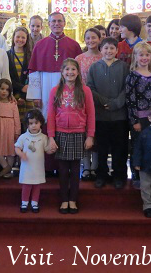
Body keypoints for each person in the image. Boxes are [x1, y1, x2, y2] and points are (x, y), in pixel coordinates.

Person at [47, 58, 95, 214]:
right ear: (62, 72)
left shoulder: (85, 90)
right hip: (60, 133)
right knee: (62, 170)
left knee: (75, 170)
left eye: (73, 69)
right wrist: (51, 137)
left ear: (78, 72)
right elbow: (51, 114)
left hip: (78, 133)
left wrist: (90, 135)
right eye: (66, 69)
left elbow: (91, 115)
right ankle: (64, 200)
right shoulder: (55, 90)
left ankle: (73, 200)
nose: (70, 72)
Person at [87, 37, 130, 189]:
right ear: (101, 49)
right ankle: (101, 175)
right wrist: (104, 102)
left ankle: (119, 175)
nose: (109, 51)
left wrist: (116, 103)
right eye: (106, 48)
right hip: (101, 115)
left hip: (119, 115)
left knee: (120, 147)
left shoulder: (124, 67)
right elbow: (90, 88)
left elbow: (128, 88)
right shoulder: (94, 67)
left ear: (117, 51)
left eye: (112, 48)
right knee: (102, 148)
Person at [27, 12, 82, 121]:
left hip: (67, 85)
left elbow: (78, 72)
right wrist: (36, 95)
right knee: (46, 114)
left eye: (59, 21)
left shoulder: (74, 45)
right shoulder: (40, 44)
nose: (56, 23)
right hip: (44, 86)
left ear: (64, 23)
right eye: (54, 21)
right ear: (49, 24)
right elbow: (34, 71)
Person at [125, 42, 151, 188]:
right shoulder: (132, 76)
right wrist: (135, 120)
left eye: (147, 55)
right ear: (136, 57)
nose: (144, 58)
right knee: (137, 146)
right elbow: (130, 99)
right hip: (138, 118)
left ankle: (150, 173)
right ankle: (136, 174)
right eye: (141, 55)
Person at [15, 109, 56, 213]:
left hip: (38, 168)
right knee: (26, 185)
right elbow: (17, 147)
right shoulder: (23, 137)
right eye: (31, 123)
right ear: (27, 125)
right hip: (27, 168)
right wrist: (21, 154)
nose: (33, 126)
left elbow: (47, 150)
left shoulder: (43, 138)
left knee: (37, 185)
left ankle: (34, 203)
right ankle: (24, 203)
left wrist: (52, 150)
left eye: (36, 123)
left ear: (41, 123)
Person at [75, 28, 102, 180]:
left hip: (99, 100)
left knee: (96, 132)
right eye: (88, 38)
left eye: (94, 38)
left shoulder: (104, 56)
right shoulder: (79, 58)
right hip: (82, 100)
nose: (91, 40)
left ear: (99, 39)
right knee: (84, 132)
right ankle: (85, 166)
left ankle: (95, 166)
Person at [0, 79, 21, 178]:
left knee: (10, 150)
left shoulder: (13, 103)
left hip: (10, 128)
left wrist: (17, 131)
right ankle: (6, 166)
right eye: (2, 89)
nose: (4, 92)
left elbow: (16, 118)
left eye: (7, 90)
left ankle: (8, 170)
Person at [8, 26, 33, 125]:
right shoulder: (6, 55)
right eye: (18, 37)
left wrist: (23, 95)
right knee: (13, 125)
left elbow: (32, 76)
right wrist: (21, 88)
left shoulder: (31, 56)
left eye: (23, 38)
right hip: (12, 95)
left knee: (28, 124)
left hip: (28, 96)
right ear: (13, 38)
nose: (20, 40)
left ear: (27, 40)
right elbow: (7, 77)